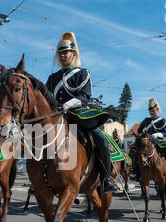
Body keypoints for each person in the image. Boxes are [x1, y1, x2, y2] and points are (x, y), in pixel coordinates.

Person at [45, 32, 118, 193]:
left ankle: (106, 178)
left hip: (78, 115)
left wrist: (66, 105)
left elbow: (84, 96)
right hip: (58, 118)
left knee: (99, 137)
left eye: (66, 52)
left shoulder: (82, 73)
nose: (63, 55)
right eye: (61, 53)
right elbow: (46, 99)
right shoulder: (52, 78)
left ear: (73, 54)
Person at [137, 98, 166, 183]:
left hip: (160, 142)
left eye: (153, 110)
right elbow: (139, 131)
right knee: (137, 154)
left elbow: (165, 133)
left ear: (157, 110)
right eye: (150, 110)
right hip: (148, 142)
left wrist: (157, 135)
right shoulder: (146, 121)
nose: (152, 112)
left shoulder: (163, 120)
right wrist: (143, 133)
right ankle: (138, 174)